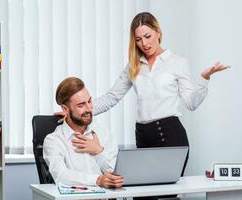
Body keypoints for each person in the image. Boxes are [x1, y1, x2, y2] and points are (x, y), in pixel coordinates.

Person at [92, 12, 228, 199]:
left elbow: (191, 103)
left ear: (158, 32)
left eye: (147, 36)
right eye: (138, 39)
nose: (144, 43)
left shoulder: (177, 63)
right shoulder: (133, 65)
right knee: (141, 195)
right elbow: (111, 97)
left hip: (170, 135)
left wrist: (204, 79)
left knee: (166, 196)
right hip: (143, 136)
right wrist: (81, 108)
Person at [43, 77, 123, 188]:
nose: (89, 109)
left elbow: (113, 173)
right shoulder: (54, 141)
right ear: (65, 109)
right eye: (81, 105)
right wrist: (97, 180)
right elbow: (61, 176)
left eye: (89, 101)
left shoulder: (103, 132)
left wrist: (98, 151)